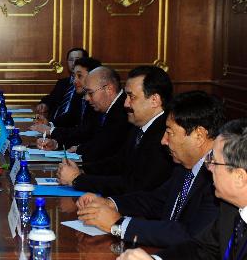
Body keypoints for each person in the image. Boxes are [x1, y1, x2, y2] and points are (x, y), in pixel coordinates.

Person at [114, 118, 247, 260]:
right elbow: (204, 250)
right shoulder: (231, 208)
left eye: (214, 161)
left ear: (239, 177)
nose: (208, 167)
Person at [76, 91, 224, 247]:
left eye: (169, 132)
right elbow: (157, 200)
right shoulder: (186, 167)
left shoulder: (219, 176)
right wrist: (109, 203)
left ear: (199, 136)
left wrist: (118, 224)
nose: (163, 141)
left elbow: (191, 234)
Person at [57, 66, 174, 195]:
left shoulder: (166, 135)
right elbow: (119, 162)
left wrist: (78, 179)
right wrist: (81, 169)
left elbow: (136, 186)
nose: (126, 103)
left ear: (154, 100)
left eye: (131, 97)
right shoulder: (140, 126)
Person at [33, 57, 101, 148]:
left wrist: (52, 131)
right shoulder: (80, 95)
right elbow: (70, 119)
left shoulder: (97, 101)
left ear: (94, 77)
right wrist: (50, 125)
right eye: (74, 76)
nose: (74, 81)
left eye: (79, 76)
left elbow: (85, 133)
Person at [35, 47, 88, 121]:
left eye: (77, 59)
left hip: (69, 127)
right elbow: (50, 98)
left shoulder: (87, 85)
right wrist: (44, 104)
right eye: (71, 60)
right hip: (51, 123)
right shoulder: (62, 83)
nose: (74, 63)